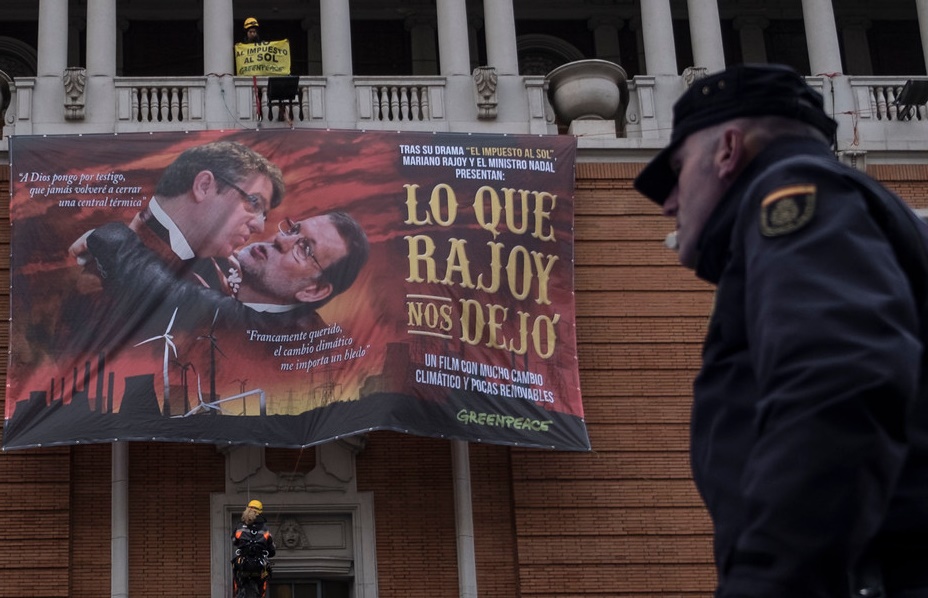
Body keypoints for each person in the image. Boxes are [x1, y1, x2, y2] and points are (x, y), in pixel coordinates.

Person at [633, 63, 928, 597]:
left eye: (677, 170)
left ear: (727, 151)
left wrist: (769, 580)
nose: (670, 202)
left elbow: (838, 381)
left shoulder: (794, 194)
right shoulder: (854, 206)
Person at [85, 210, 369, 333]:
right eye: (293, 229)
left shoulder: (268, 330)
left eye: (304, 248)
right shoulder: (221, 271)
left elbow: (162, 290)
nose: (280, 239)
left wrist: (105, 237)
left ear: (313, 291)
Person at [231, 499, 276, 598]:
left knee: (236, 574)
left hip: (243, 563)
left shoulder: (240, 526)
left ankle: (238, 592)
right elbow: (272, 549)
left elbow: (234, 540)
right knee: (265, 576)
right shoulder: (265, 529)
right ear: (260, 512)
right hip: (259, 565)